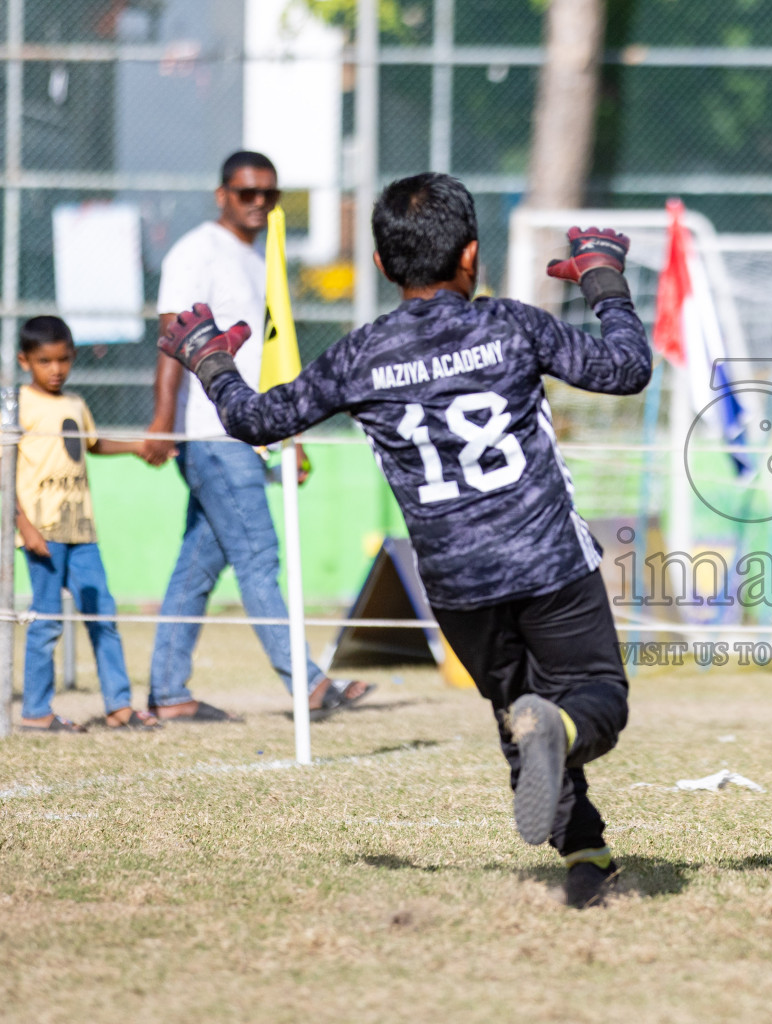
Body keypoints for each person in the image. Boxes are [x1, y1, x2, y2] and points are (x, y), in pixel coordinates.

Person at [155, 172, 650, 907]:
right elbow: (627, 368)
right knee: (592, 698)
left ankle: (587, 860)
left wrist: (208, 356)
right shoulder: (512, 325)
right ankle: (567, 742)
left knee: (521, 719)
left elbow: (257, 421)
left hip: (456, 585)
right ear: (472, 254)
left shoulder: (361, 356)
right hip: (547, 562)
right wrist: (602, 274)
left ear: (382, 266)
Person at [142, 150, 371, 722]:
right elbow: (175, 338)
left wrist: (286, 434)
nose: (259, 203)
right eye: (247, 193)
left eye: (269, 194)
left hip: (251, 432)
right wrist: (163, 420)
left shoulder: (260, 254)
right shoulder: (197, 250)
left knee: (198, 565)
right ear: (222, 194)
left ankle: (169, 693)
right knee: (259, 557)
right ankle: (310, 687)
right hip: (212, 434)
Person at [15, 317, 159, 733]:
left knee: (102, 615)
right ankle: (36, 712)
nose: (55, 369)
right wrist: (25, 526)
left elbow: (92, 445)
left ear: (73, 357)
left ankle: (118, 706)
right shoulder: (18, 406)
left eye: (63, 360)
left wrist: (136, 448)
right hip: (43, 534)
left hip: (82, 533)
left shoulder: (75, 404)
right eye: (45, 361)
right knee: (46, 622)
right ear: (26, 361)